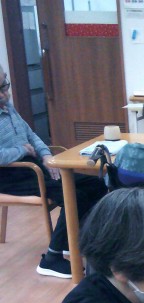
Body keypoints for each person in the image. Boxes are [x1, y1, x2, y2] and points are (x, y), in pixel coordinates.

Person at [0, 64, 107, 278]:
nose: (4, 94)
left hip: (31, 166)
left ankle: (70, 241)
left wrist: (46, 156)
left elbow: (31, 135)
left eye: (4, 86)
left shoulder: (8, 107)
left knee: (95, 183)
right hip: (11, 174)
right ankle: (51, 258)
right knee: (73, 195)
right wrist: (21, 150)